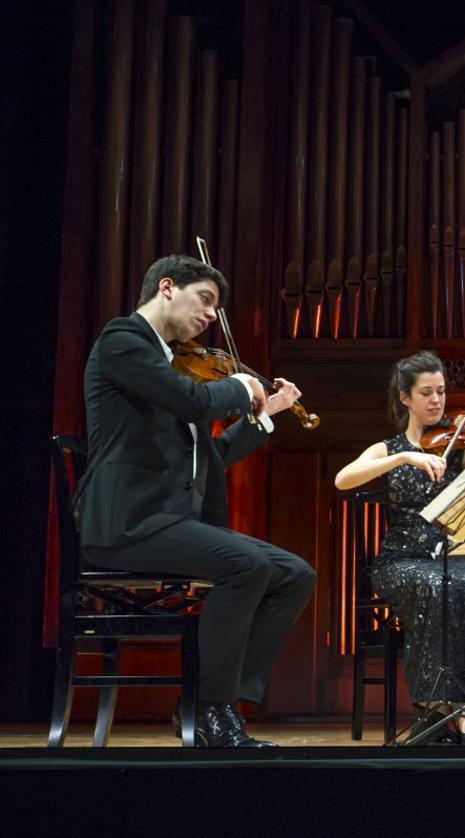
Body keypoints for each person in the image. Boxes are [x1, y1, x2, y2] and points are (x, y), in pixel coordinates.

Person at [76, 254, 317, 748]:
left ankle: (225, 702)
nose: (211, 315)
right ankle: (209, 710)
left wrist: (264, 413)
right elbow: (193, 402)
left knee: (296, 573)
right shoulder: (123, 341)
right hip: (125, 523)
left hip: (165, 522)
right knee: (247, 564)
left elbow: (212, 456)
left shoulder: (173, 366)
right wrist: (237, 386)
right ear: (167, 287)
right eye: (205, 300)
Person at [335, 351, 465, 745]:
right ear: (405, 397)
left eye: (441, 391)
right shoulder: (389, 449)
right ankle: (439, 708)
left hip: (454, 556)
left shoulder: (463, 446)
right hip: (400, 561)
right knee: (435, 585)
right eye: (426, 392)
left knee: (463, 583)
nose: (436, 401)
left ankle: (464, 714)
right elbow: (343, 479)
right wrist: (403, 458)